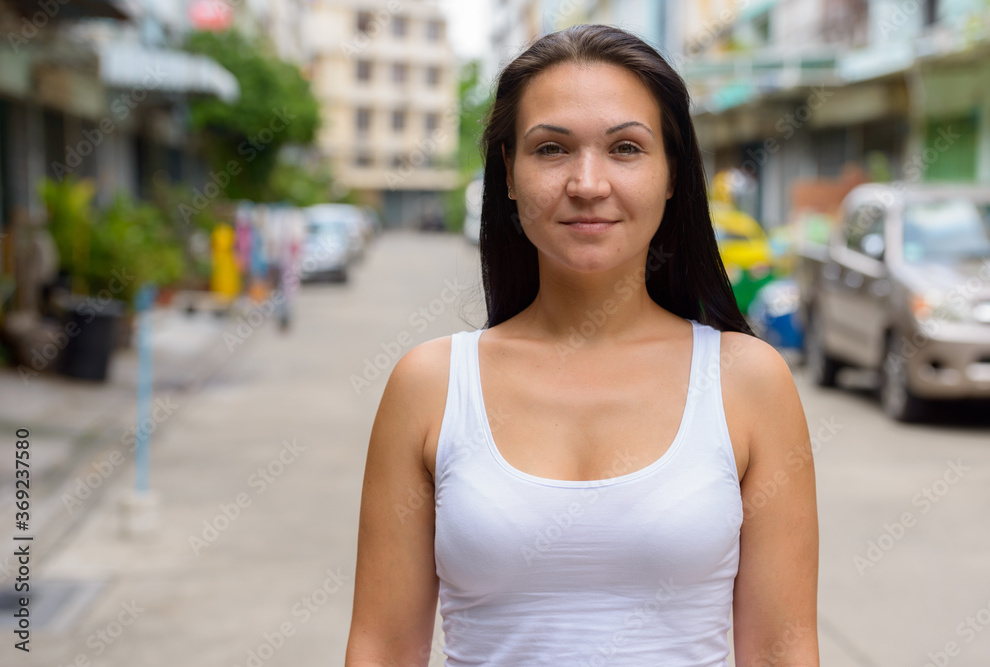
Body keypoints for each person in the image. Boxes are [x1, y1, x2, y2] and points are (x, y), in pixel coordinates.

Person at [345, 24, 819, 666]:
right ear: (507, 173)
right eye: (551, 150)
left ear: (673, 173)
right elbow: (383, 648)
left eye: (626, 147)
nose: (588, 183)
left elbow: (779, 653)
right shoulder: (430, 386)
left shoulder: (748, 381)